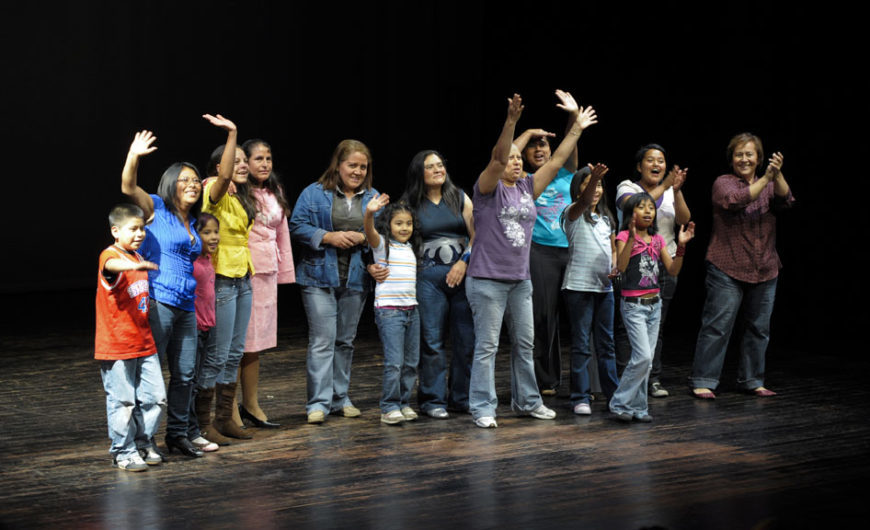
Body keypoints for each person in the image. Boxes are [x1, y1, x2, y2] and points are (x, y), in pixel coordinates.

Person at [466, 93, 597, 428]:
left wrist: (576, 129)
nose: (516, 162)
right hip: (487, 280)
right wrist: (511, 123)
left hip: (520, 280)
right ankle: (483, 406)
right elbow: (497, 159)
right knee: (488, 347)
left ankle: (527, 401)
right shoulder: (487, 190)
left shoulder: (527, 187)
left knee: (526, 344)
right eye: (511, 158)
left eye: (517, 159)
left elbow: (556, 163)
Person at [121, 128, 206, 458]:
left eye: (196, 181)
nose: (192, 185)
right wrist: (134, 156)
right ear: (171, 184)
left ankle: (177, 434)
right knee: (151, 373)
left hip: (187, 305)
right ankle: (144, 439)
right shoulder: (156, 208)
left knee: (186, 375)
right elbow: (128, 187)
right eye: (185, 180)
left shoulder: (193, 222)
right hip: (159, 302)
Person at [690, 134, 792, 399]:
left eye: (749, 154)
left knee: (759, 328)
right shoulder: (723, 182)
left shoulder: (769, 182)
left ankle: (752, 380)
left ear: (759, 158)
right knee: (717, 325)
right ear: (731, 158)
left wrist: (777, 174)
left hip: (765, 266)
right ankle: (704, 380)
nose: (744, 159)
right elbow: (737, 200)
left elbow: (786, 200)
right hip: (727, 265)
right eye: (739, 154)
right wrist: (767, 179)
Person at [289, 139, 378, 424]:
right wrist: (329, 237)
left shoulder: (373, 196)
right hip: (318, 277)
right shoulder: (314, 193)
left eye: (363, 167)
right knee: (322, 340)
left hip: (355, 278)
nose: (357, 171)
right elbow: (297, 225)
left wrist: (365, 237)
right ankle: (318, 403)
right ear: (337, 165)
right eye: (352, 165)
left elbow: (385, 233)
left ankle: (341, 398)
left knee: (345, 341)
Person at [512, 89, 581, 395]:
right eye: (533, 146)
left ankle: (585, 382)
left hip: (573, 249)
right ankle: (546, 379)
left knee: (582, 316)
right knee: (543, 315)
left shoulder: (566, 173)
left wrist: (572, 116)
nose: (539, 149)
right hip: (540, 251)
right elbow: (505, 155)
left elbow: (571, 143)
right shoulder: (523, 180)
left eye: (544, 144)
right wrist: (525, 133)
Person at [399, 150, 474, 418]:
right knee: (432, 340)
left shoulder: (460, 197)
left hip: (462, 275)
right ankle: (432, 400)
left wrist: (464, 261)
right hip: (428, 278)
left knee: (466, 339)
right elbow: (399, 237)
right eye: (431, 167)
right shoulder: (409, 202)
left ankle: (461, 398)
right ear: (420, 173)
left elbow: (478, 235)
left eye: (440, 165)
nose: (438, 170)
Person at [615, 144, 691, 398]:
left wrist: (676, 190)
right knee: (629, 328)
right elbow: (632, 207)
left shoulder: (669, 191)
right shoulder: (628, 187)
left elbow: (683, 218)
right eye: (650, 160)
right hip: (633, 263)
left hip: (663, 261)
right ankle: (626, 381)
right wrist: (666, 185)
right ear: (639, 166)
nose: (657, 164)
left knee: (656, 326)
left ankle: (652, 379)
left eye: (661, 160)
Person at [611, 193, 695, 422]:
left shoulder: (657, 239)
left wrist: (682, 247)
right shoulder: (623, 236)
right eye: (641, 207)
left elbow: (673, 270)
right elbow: (621, 265)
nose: (648, 211)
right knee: (643, 357)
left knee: (645, 363)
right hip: (633, 306)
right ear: (631, 213)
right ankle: (620, 402)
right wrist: (630, 239)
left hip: (654, 305)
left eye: (651, 207)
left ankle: (638, 407)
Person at [95, 204, 166, 471]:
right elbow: (111, 266)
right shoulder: (110, 255)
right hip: (116, 345)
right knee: (122, 401)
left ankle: (143, 441)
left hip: (144, 342)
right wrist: (131, 264)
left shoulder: (136, 257)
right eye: (133, 229)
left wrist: (139, 261)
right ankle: (123, 451)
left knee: (155, 397)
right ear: (115, 231)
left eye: (142, 229)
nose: (139, 234)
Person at [200, 115, 257, 441]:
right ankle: (204, 422)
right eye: (234, 161)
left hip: (242, 277)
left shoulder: (241, 196)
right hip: (221, 278)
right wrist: (234, 132)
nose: (242, 165)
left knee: (235, 353)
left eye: (243, 161)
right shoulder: (213, 190)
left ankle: (225, 418)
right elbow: (221, 177)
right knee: (218, 354)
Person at [237, 139, 295, 429]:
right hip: (244, 271)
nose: (264, 164)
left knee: (255, 343)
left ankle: (250, 402)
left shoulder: (275, 190)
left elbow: (282, 233)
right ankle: (228, 408)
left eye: (268, 158)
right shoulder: (237, 190)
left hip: (267, 273)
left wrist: (285, 272)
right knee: (239, 341)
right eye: (258, 158)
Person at [560, 164, 620, 416]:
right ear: (578, 189)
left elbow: (613, 249)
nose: (595, 190)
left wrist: (615, 265)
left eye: (598, 185)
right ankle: (580, 397)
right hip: (578, 287)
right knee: (582, 344)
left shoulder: (607, 218)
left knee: (606, 344)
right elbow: (583, 202)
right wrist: (594, 177)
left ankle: (614, 396)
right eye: (587, 184)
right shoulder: (571, 213)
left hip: (604, 289)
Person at [363, 194, 421, 425]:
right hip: (390, 312)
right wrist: (369, 213)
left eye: (408, 223)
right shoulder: (382, 246)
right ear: (388, 225)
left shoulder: (410, 248)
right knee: (394, 362)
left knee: (410, 363)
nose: (405, 227)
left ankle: (404, 403)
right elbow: (369, 232)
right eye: (399, 223)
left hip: (411, 310)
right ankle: (389, 406)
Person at [189, 212, 221, 452]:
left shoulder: (207, 258)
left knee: (198, 380)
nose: (214, 237)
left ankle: (195, 429)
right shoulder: (190, 261)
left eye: (215, 232)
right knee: (189, 382)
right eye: (206, 232)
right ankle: (189, 431)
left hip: (207, 327)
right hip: (194, 328)